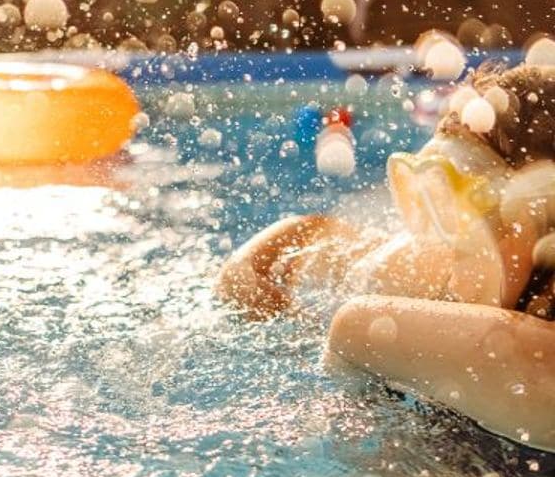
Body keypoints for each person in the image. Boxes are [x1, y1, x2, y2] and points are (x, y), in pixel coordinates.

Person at [218, 63, 555, 451]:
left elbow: (355, 328)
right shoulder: (449, 268)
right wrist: (255, 287)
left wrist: (352, 329)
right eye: (431, 198)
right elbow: (303, 238)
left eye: (469, 212)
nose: (446, 239)